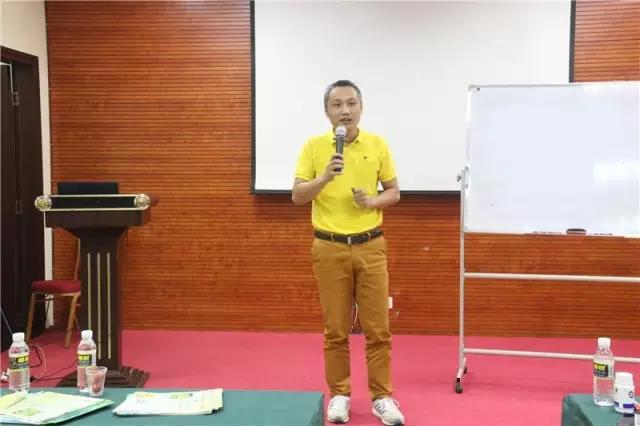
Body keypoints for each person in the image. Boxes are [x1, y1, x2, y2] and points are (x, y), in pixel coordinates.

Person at [292, 80, 404, 425]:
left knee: (378, 329)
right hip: (329, 247)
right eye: (337, 104)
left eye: (351, 103)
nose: (345, 110)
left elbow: (394, 192)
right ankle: (339, 394)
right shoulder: (314, 147)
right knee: (336, 329)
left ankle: (382, 397)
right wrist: (324, 177)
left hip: (371, 245)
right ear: (327, 112)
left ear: (361, 107)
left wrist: (371, 201)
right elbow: (298, 196)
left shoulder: (377, 144)